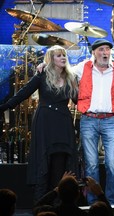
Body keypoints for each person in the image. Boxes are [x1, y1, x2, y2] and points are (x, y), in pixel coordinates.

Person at [0, 45, 79, 202]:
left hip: (63, 122)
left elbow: (78, 100)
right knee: (43, 160)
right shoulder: (41, 76)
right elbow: (24, 93)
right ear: (50, 59)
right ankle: (41, 204)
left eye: (64, 55)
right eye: (58, 55)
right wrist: (4, 106)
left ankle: (59, 203)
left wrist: (78, 89)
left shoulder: (72, 78)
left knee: (60, 161)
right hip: (45, 122)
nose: (63, 58)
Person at [73, 39, 114, 205]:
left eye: (107, 49)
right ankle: (93, 203)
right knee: (91, 165)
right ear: (94, 52)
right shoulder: (83, 67)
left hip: (109, 119)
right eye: (101, 50)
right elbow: (63, 72)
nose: (105, 53)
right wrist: (44, 66)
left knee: (112, 164)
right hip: (88, 120)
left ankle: (112, 201)